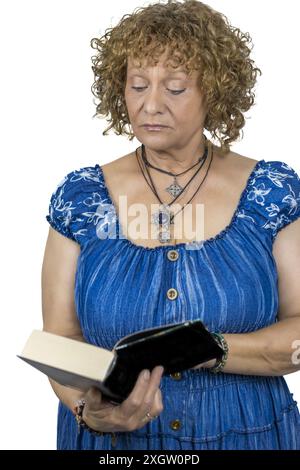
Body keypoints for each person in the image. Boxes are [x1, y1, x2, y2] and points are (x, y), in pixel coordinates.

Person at [42, 0, 300, 450]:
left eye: (176, 88)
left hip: (250, 435)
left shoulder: (272, 191)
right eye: (137, 85)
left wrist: (202, 348)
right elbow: (60, 339)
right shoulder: (80, 197)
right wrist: (91, 411)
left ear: (215, 92)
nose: (151, 104)